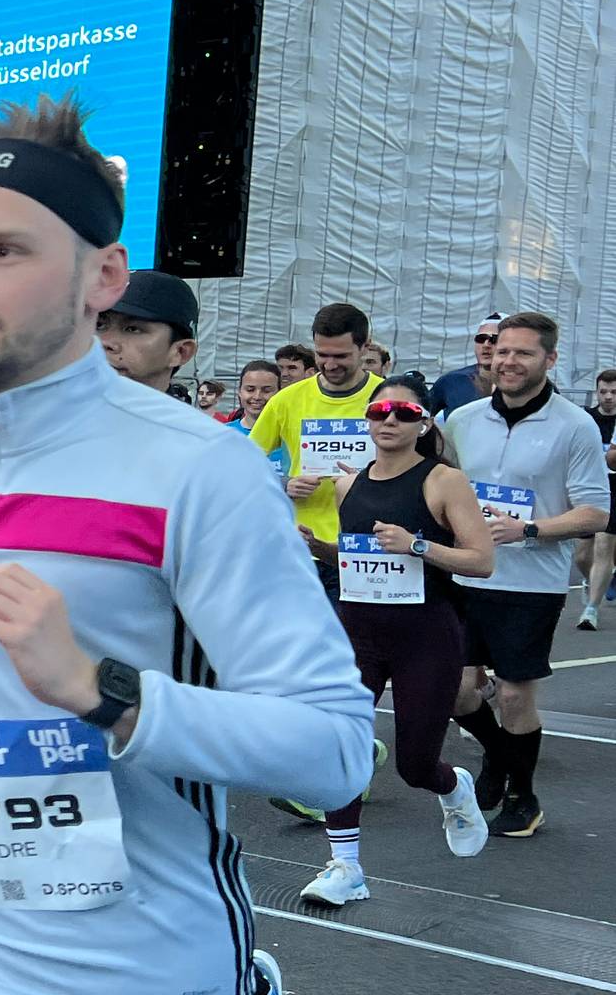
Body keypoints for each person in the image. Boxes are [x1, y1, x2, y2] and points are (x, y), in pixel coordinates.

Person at [0, 97, 370, 995]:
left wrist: (100, 689)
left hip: (125, 959)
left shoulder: (202, 469)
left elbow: (333, 750)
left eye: (5, 250)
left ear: (104, 276)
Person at [297, 380, 496, 907]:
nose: (389, 420)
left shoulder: (443, 481)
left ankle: (452, 785)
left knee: (413, 765)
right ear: (367, 418)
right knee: (339, 748)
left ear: (424, 422)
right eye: (380, 410)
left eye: (404, 412)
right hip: (357, 633)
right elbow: (358, 560)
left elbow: (482, 560)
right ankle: (345, 866)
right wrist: (318, 549)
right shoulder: (348, 486)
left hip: (425, 634)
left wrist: (418, 545)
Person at [444, 311, 609, 838]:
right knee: (458, 693)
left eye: (522, 353)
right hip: (465, 576)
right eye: (501, 350)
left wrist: (530, 529)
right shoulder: (463, 419)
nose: (508, 361)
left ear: (550, 359)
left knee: (515, 695)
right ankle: (499, 754)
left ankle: (524, 795)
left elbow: (595, 514)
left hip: (530, 582)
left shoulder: (574, 425)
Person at [249, 302, 384, 573]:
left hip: (370, 549)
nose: (330, 365)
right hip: (302, 549)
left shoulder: (387, 397)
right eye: (322, 355)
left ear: (365, 347)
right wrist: (283, 483)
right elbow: (240, 463)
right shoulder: (287, 400)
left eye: (341, 356)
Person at [96, 269, 198, 392]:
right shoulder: (69, 408)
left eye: (133, 329)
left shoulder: (181, 412)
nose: (104, 342)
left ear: (180, 352)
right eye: (99, 325)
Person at [584, 368, 616, 632]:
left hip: (613, 487)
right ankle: (595, 581)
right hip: (588, 487)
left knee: (604, 545)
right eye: (603, 391)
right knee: (582, 555)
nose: (608, 397)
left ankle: (590, 609)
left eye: (614, 392)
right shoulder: (586, 419)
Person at [426, 313, 506, 418]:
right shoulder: (452, 381)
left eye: (494, 339)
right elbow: (422, 418)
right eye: (481, 339)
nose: (486, 345)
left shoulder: (522, 383)